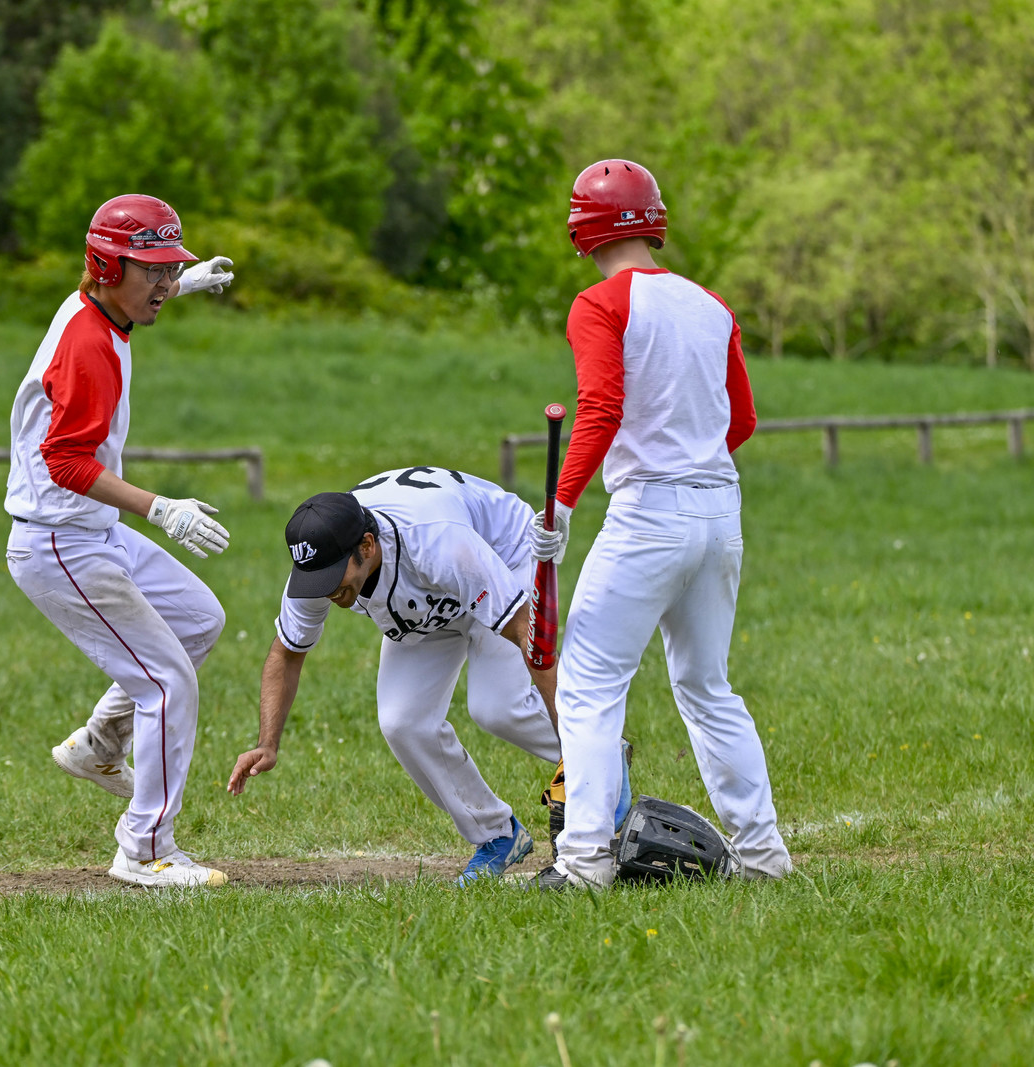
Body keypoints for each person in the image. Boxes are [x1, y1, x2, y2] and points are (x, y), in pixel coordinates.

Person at [529, 160, 791, 891]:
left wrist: (563, 503)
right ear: (654, 219)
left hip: (648, 515)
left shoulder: (599, 303)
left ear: (584, 227)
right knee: (708, 685)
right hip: (720, 509)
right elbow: (742, 420)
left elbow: (602, 409)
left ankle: (582, 863)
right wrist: (693, 459)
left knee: (586, 684)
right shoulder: (711, 305)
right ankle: (764, 855)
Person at [227, 467, 631, 884]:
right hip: (429, 598)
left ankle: (602, 752)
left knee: (497, 707)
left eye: (333, 578)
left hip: (502, 559)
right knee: (404, 722)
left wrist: (579, 746)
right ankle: (496, 834)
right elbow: (287, 654)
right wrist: (267, 743)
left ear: (367, 545)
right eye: (317, 580)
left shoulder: (439, 543)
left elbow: (530, 643)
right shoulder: (324, 560)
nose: (326, 591)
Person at [4, 193, 237, 888]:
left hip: (87, 531)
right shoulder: (88, 343)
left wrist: (177, 288)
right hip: (61, 543)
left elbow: (119, 307)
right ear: (108, 266)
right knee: (168, 684)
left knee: (200, 619)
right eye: (153, 271)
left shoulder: (100, 309)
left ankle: (99, 746)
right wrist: (161, 507)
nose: (164, 284)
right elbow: (65, 462)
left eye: (172, 270)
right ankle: (145, 849)